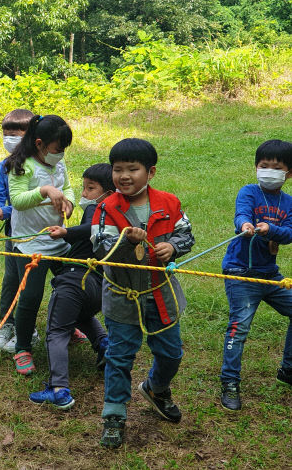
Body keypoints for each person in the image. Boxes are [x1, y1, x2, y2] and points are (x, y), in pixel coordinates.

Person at [91, 138, 194, 448]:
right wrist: (128, 243)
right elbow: (101, 251)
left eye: (132, 169)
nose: (124, 176)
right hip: (123, 296)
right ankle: (114, 415)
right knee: (119, 356)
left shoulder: (169, 203)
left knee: (171, 352)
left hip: (162, 294)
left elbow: (186, 236)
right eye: (117, 169)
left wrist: (174, 247)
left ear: (150, 172)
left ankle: (156, 388)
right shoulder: (106, 208)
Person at [29, 163, 113, 409]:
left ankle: (59, 389)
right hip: (98, 284)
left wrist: (66, 232)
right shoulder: (118, 213)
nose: (84, 194)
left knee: (57, 330)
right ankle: (104, 345)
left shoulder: (99, 209)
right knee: (81, 314)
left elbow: (92, 229)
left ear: (107, 192)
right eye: (84, 187)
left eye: (91, 188)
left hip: (74, 280)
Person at [219, 139, 292, 411]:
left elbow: (289, 233)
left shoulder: (288, 203)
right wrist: (246, 224)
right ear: (256, 168)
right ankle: (229, 382)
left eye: (277, 167)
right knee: (239, 328)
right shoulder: (248, 191)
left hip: (270, 276)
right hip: (240, 273)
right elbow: (241, 214)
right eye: (264, 166)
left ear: (289, 173)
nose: (269, 171)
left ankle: (288, 369)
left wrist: (270, 229)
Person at [6, 114, 75, 375]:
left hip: (57, 239)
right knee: (31, 297)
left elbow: (67, 187)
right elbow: (18, 201)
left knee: (72, 287)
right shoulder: (21, 166)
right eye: (58, 149)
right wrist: (45, 190)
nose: (61, 154)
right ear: (39, 144)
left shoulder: (58, 163)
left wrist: (67, 200)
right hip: (29, 244)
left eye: (63, 150)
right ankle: (22, 348)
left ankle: (69, 326)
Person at [0, 108, 36, 351]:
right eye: (6, 134)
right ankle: (7, 323)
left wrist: (4, 211)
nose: (9, 140)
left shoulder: (39, 166)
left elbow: (27, 201)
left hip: (37, 233)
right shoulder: (3, 166)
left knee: (28, 282)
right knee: (11, 280)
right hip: (12, 234)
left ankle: (28, 328)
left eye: (15, 134)